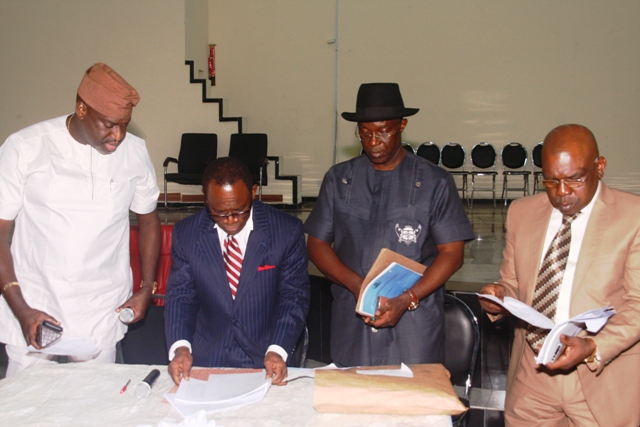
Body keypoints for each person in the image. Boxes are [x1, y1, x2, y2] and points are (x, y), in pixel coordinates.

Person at [0, 63, 161, 376]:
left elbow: (149, 220)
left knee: (94, 403)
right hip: (34, 299)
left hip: (100, 304)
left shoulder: (134, 152)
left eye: (125, 125)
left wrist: (146, 286)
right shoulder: (26, 148)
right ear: (82, 109)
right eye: (109, 125)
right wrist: (21, 309)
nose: (118, 136)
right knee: (26, 405)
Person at [478, 124, 640, 426]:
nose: (562, 192)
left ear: (600, 167)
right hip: (533, 374)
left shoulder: (633, 217)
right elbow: (513, 284)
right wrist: (500, 298)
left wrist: (593, 347)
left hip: (599, 376)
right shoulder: (521, 212)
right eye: (551, 181)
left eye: (575, 179)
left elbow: (638, 304)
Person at [304, 83, 474, 367]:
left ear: (402, 125)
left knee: (412, 403)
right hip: (353, 320)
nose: (373, 142)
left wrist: (407, 298)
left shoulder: (434, 182)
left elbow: (452, 254)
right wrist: (357, 285)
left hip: (414, 323)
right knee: (353, 401)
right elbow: (317, 244)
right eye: (365, 133)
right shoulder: (339, 179)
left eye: (383, 131)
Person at [165, 157, 310, 386]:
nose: (231, 220)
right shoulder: (187, 233)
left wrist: (277, 350)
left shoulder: (286, 231)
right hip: (204, 359)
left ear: (253, 192)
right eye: (220, 212)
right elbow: (181, 296)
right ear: (205, 197)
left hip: (265, 358)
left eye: (240, 210)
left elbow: (293, 297)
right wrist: (181, 348)